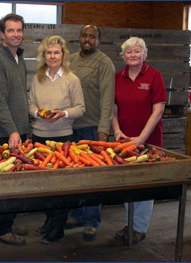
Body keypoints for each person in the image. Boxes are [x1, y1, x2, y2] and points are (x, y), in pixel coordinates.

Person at [28, 35, 85, 244]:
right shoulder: (37, 78)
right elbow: (31, 104)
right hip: (39, 138)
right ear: (44, 55)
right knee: (43, 186)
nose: (53, 56)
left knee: (61, 185)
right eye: (49, 52)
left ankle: (58, 227)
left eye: (56, 52)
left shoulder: (72, 79)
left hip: (62, 139)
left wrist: (63, 114)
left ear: (63, 55)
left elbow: (80, 108)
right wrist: (39, 114)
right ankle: (50, 220)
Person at [112, 37, 166, 245]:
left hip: (149, 142)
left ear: (144, 54)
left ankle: (139, 228)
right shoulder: (118, 77)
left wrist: (141, 139)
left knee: (144, 184)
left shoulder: (154, 76)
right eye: (128, 52)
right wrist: (117, 131)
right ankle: (130, 223)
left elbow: (158, 110)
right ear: (123, 56)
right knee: (127, 184)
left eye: (137, 52)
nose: (133, 55)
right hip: (124, 141)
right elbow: (113, 109)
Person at [0, 13, 30, 246]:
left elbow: (19, 97)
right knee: (3, 183)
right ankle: (0, 229)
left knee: (15, 182)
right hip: (4, 133)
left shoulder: (17, 59)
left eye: (19, 30)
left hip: (17, 132)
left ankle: (8, 221)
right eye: (11, 31)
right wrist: (12, 131)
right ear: (2, 34)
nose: (16, 35)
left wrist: (23, 130)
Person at [66, 25, 116, 241]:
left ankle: (91, 221)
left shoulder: (105, 63)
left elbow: (108, 101)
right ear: (79, 38)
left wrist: (103, 131)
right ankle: (77, 214)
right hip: (71, 127)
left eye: (92, 37)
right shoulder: (71, 60)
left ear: (99, 40)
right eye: (84, 36)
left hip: (93, 128)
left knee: (94, 178)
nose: (87, 40)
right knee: (75, 175)